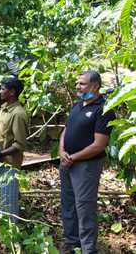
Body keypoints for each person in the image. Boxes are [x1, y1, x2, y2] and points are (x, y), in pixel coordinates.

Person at [59, 70, 115, 254]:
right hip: (67, 162)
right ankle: (72, 243)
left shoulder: (104, 109)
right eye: (78, 83)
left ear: (95, 86)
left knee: (84, 207)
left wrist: (73, 157)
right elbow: (65, 131)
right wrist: (61, 151)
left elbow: (99, 145)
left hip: (86, 167)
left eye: (82, 84)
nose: (78, 86)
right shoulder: (77, 106)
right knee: (68, 204)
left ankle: (88, 249)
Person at [0, 77, 28, 236]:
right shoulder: (4, 109)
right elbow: (2, 136)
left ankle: (7, 235)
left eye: (3, 89)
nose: (0, 91)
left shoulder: (18, 114)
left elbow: (19, 144)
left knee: (7, 201)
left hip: (8, 165)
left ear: (12, 92)